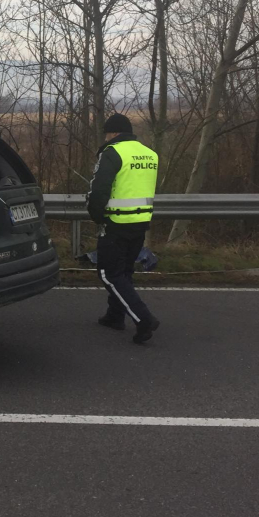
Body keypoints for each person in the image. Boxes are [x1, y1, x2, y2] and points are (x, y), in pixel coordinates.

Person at [86, 114, 162, 344]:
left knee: (108, 274)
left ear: (114, 133)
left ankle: (143, 318)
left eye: (107, 133)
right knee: (124, 272)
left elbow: (100, 190)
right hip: (140, 222)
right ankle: (115, 316)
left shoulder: (112, 153)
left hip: (116, 223)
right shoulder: (149, 154)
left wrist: (97, 215)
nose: (106, 137)